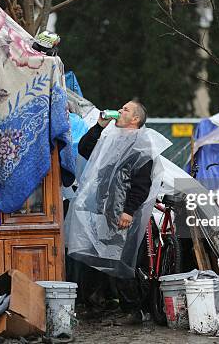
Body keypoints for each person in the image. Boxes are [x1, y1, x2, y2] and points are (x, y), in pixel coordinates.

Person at [72, 100, 153, 324]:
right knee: (92, 256)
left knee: (120, 261)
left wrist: (128, 211)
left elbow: (142, 183)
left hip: (122, 214)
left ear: (135, 119)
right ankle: (94, 305)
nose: (119, 111)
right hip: (101, 210)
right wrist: (99, 126)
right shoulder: (109, 138)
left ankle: (132, 310)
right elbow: (84, 149)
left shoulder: (141, 145)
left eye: (125, 110)